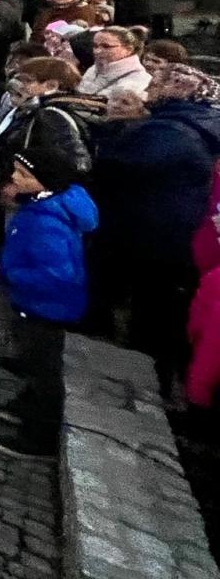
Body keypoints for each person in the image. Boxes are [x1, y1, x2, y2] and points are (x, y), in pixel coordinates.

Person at [91, 63, 220, 390]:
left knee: (151, 309)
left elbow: (118, 164)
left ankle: (140, 380)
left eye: (157, 84)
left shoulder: (172, 131)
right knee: (152, 302)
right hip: (164, 228)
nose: (148, 88)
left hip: (153, 231)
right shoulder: (190, 122)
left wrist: (111, 131)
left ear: (177, 90)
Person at [0, 154, 98, 459]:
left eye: (24, 174)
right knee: (32, 361)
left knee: (43, 369)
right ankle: (28, 405)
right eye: (16, 171)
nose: (15, 178)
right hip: (34, 303)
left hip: (47, 309)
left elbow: (55, 277)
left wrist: (10, 274)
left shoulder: (48, 222)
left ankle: (41, 436)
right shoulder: (41, 207)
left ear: (46, 183)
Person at [77, 26, 151, 101]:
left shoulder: (139, 79)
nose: (97, 51)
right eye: (95, 46)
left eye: (106, 46)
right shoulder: (93, 68)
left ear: (128, 49)